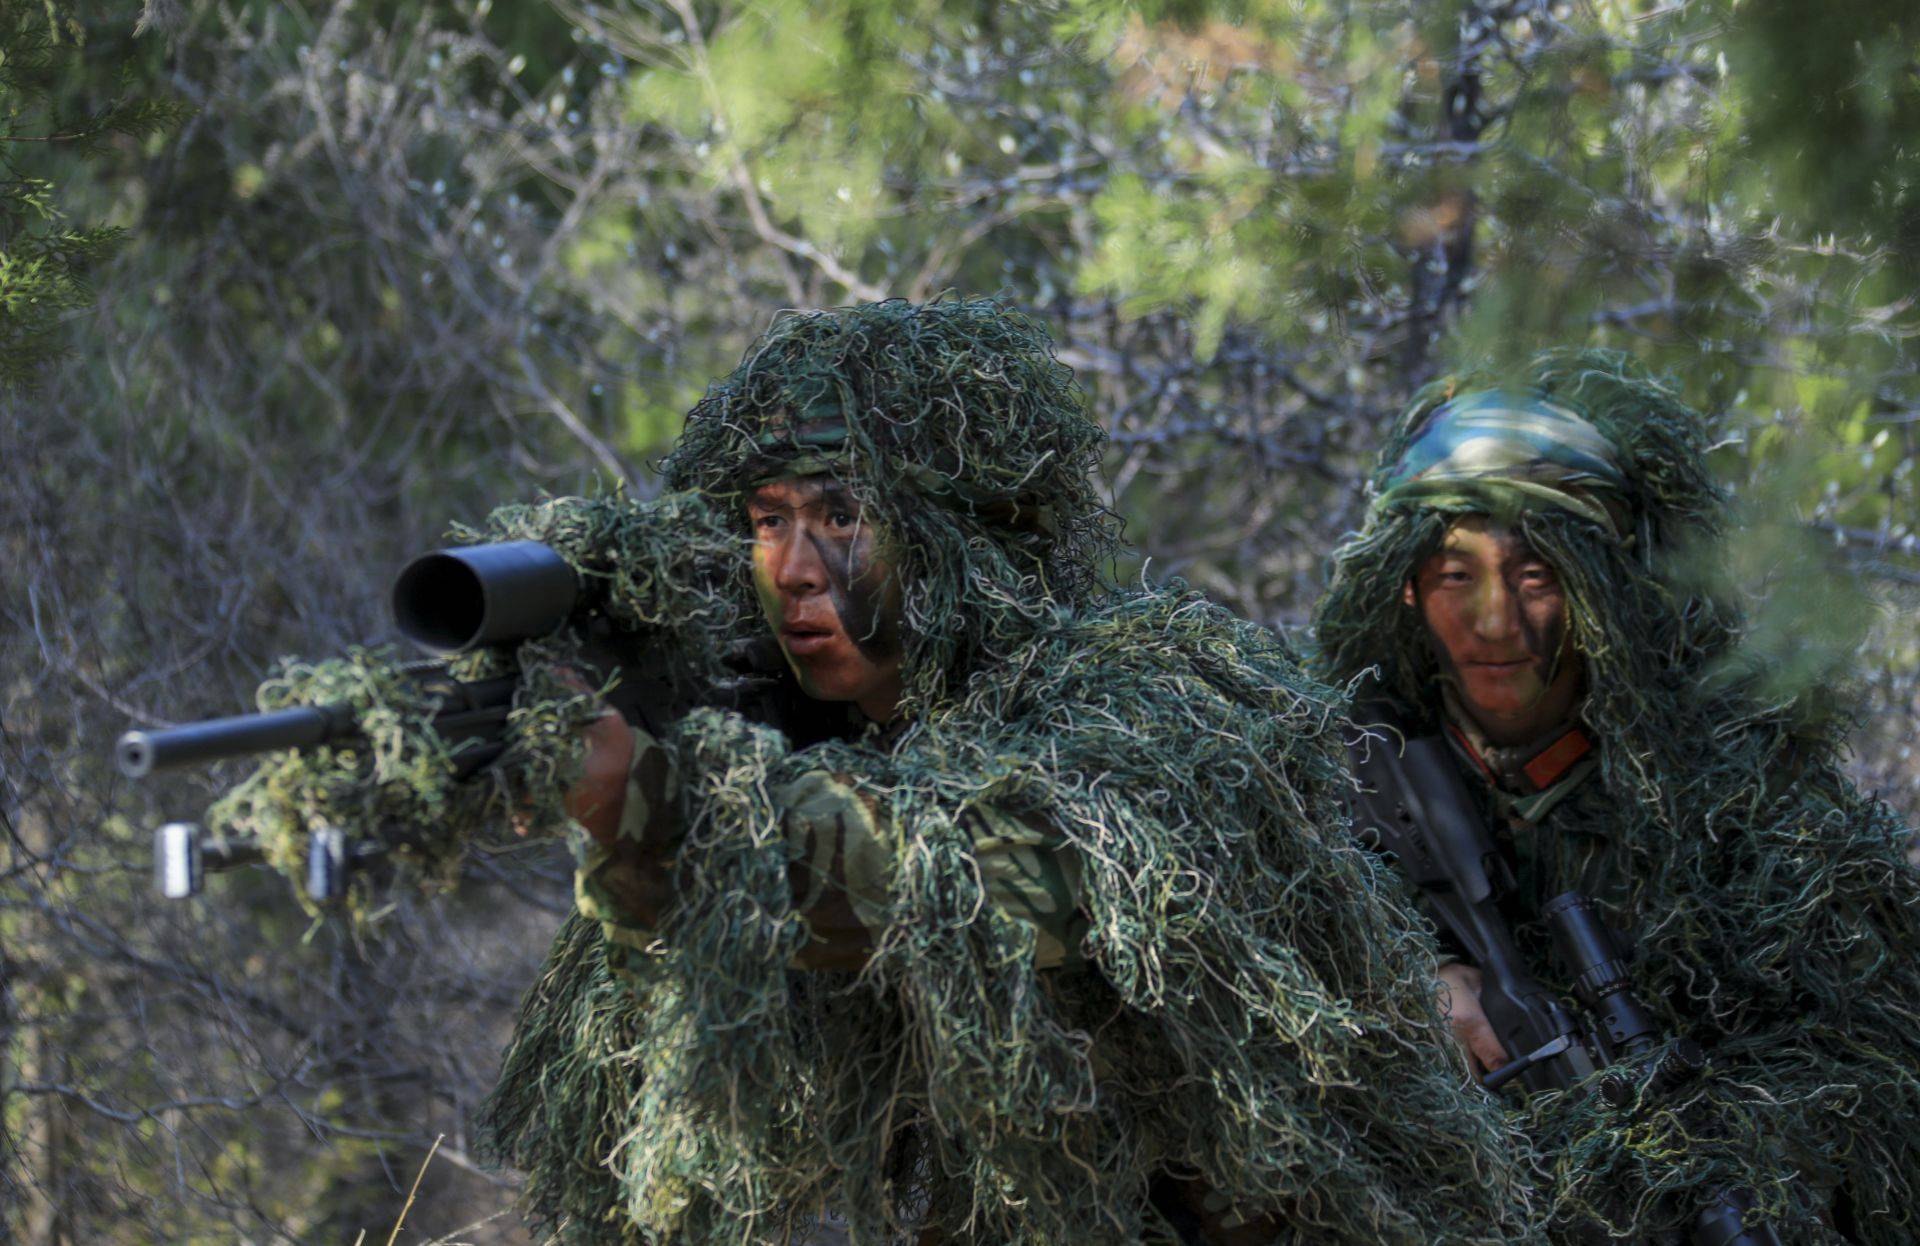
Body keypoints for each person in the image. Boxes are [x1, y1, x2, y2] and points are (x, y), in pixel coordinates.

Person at [477, 298, 1539, 1245]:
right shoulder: (817, 735)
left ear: (963, 533)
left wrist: (656, 803)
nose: (795, 569)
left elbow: (968, 875)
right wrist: (626, 832)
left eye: (843, 515)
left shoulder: (1155, 699)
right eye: (767, 522)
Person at [1311, 352, 1920, 1243]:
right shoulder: (1321, 749)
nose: (1494, 623)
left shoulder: (1748, 803)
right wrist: (1410, 965)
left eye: (1535, 576)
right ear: (1404, 587)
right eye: (1454, 576)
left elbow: (1871, 1087)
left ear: (1601, 588)